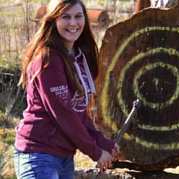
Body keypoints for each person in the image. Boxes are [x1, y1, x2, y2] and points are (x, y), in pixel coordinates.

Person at [13, 0, 120, 178]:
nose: (73, 23)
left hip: (64, 157)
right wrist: (95, 151)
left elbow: (77, 111)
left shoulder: (77, 57)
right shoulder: (48, 59)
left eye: (78, 16)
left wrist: (101, 141)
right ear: (54, 20)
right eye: (65, 17)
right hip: (38, 155)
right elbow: (64, 115)